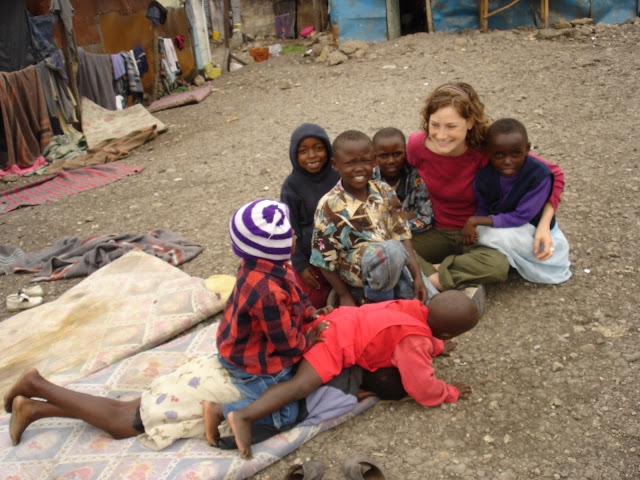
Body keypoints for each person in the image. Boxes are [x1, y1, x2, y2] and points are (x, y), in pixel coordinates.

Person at [212, 290, 479, 459]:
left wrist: (436, 346)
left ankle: (223, 410)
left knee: (297, 379)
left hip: (337, 320)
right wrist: (449, 391)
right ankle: (244, 416)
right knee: (300, 387)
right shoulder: (415, 343)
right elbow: (422, 387)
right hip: (336, 343)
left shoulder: (412, 307)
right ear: (446, 333)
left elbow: (408, 328)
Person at [4, 352, 407, 450]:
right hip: (221, 391)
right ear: (368, 392)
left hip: (225, 369)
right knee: (124, 423)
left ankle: (34, 407)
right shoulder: (345, 394)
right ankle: (39, 384)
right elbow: (314, 415)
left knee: (131, 409)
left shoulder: (340, 354)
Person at [406, 82, 565, 292]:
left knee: (497, 267)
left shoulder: (488, 149)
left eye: (451, 126)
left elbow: (553, 174)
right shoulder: (417, 146)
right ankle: (442, 278)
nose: (441, 135)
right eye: (435, 125)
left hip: (480, 234)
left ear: (470, 122)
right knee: (394, 247)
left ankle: (426, 277)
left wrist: (544, 225)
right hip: (436, 229)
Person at [209, 198, 330, 446]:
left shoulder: (265, 265)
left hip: (240, 342)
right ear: (276, 246)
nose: (295, 236)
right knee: (285, 414)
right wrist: (308, 341)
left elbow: (296, 294)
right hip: (250, 359)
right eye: (291, 234)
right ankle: (221, 411)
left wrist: (310, 312)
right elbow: (286, 343)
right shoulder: (268, 294)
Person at [310, 130, 433, 307]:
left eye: (365, 161)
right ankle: (377, 299)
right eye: (350, 163)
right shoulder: (328, 205)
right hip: (360, 275)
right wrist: (343, 295)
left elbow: (403, 236)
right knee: (392, 250)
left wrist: (418, 277)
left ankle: (406, 299)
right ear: (335, 165)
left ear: (373, 161)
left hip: (394, 265)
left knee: (431, 301)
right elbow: (322, 259)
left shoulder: (385, 191)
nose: (359, 168)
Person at [464, 118, 571, 284]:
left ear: (527, 149)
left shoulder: (538, 175)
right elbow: (483, 207)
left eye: (515, 154)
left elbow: (522, 216)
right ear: (488, 153)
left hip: (532, 228)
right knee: (477, 236)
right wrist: (477, 226)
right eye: (499, 155)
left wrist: (475, 221)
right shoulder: (484, 177)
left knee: (491, 236)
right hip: (501, 223)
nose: (508, 161)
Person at [280, 123, 340, 308]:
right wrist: (300, 265)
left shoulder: (338, 176)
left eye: (318, 148)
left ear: (328, 150)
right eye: (303, 151)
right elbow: (289, 229)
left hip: (343, 251)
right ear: (294, 154)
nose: (312, 155)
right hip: (311, 258)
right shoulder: (291, 187)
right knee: (308, 303)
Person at [371, 127, 434, 234]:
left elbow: (426, 219)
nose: (391, 161)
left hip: (410, 236)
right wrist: (405, 216)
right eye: (384, 156)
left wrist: (388, 223)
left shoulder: (417, 178)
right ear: (374, 157)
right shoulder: (369, 179)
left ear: (406, 153)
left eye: (397, 154)